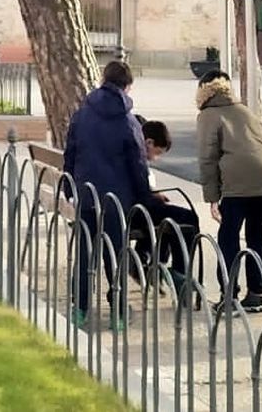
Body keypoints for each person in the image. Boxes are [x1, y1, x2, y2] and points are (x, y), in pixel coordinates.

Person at [62, 59, 148, 328]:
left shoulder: (82, 114)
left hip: (87, 194)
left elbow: (71, 153)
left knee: (85, 252)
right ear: (127, 86)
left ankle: (81, 309)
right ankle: (119, 312)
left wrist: (69, 187)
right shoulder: (127, 120)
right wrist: (143, 197)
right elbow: (138, 163)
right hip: (117, 198)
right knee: (116, 253)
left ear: (102, 80)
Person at [195, 69, 262, 314]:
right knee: (256, 236)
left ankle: (229, 295)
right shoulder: (243, 110)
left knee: (228, 236)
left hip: (239, 181)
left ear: (202, 92)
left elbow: (207, 159)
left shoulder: (208, 116)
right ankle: (257, 294)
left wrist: (212, 199)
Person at [133, 119, 201, 301]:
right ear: (148, 142)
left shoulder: (125, 145)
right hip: (134, 209)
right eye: (156, 153)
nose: (155, 158)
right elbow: (139, 189)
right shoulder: (135, 153)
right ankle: (180, 272)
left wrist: (153, 194)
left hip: (126, 206)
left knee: (169, 217)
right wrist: (152, 194)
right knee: (188, 218)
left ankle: (150, 260)